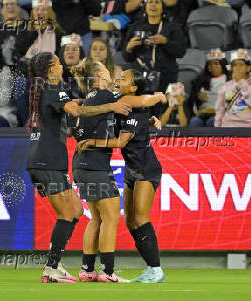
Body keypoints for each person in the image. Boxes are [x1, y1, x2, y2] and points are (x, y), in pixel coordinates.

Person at [26, 52, 134, 283]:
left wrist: (84, 102)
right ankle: (51, 268)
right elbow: (77, 112)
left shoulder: (47, 90)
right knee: (68, 213)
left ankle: (54, 265)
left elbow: (73, 107)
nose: (62, 63)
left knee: (75, 212)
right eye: (57, 60)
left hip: (46, 161)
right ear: (52, 68)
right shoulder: (55, 88)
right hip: (48, 162)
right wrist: (109, 106)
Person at [70, 60, 166, 283]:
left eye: (124, 79)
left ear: (132, 88)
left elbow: (121, 141)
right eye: (118, 76)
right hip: (132, 172)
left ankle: (156, 269)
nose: (118, 79)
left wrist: (159, 97)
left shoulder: (128, 105)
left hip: (146, 170)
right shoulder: (118, 105)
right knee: (130, 221)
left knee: (140, 219)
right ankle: (149, 269)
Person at [122, 0, 186, 117]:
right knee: (139, 114)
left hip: (165, 76)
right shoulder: (135, 27)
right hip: (140, 77)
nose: (153, 5)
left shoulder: (172, 27)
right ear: (145, 6)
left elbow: (181, 51)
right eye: (150, 2)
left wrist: (166, 41)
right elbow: (127, 57)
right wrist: (129, 48)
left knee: (160, 114)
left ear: (163, 8)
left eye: (157, 2)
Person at [214, 49, 251, 127]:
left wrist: (241, 83)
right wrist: (217, 126)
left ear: (248, 68)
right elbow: (220, 109)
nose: (237, 68)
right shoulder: (226, 86)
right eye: (234, 65)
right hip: (229, 126)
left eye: (241, 65)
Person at [186, 48, 229, 127]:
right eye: (210, 64)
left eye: (216, 64)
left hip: (223, 114)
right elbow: (191, 100)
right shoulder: (200, 80)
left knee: (212, 122)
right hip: (203, 113)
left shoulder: (230, 79)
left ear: (222, 65)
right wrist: (197, 97)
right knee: (194, 122)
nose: (213, 67)